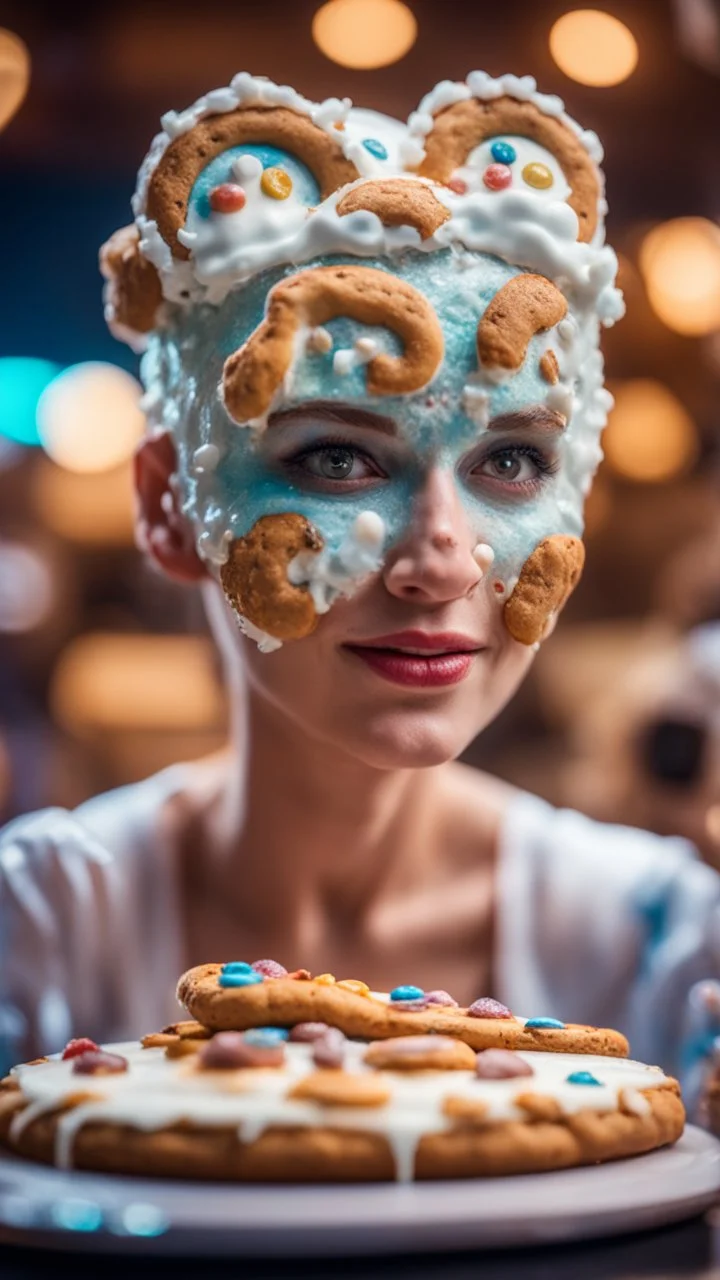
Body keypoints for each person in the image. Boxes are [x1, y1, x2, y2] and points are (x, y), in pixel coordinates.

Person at [2, 70, 719, 1109]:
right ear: (168, 507)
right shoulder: (41, 929)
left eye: (511, 462)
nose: (443, 559)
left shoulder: (668, 949)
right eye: (338, 456)